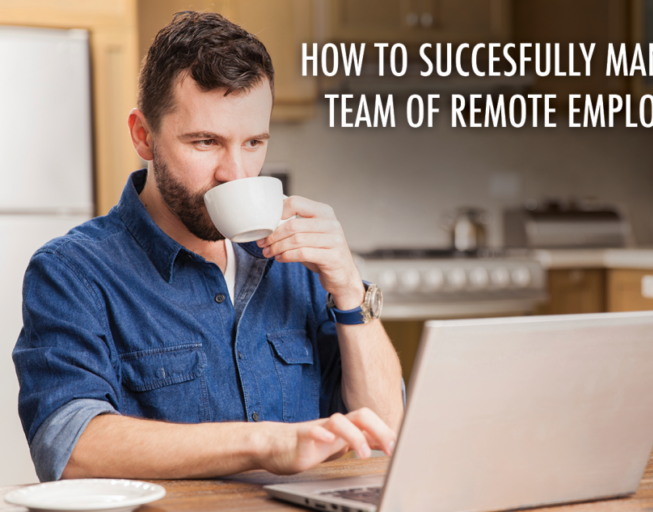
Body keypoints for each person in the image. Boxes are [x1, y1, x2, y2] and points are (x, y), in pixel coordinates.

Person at [12, 11, 403, 482]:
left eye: (254, 141)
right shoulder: (73, 271)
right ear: (144, 136)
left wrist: (349, 293)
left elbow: (385, 433)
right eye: (205, 142)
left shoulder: (301, 263)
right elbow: (69, 446)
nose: (235, 172)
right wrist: (266, 443)